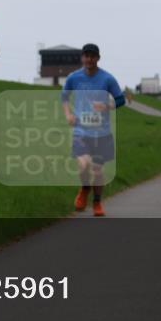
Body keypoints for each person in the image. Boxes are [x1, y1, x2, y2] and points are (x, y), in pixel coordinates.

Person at [62, 43, 126, 218]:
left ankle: (97, 201)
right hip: (81, 131)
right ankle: (84, 190)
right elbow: (64, 97)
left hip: (101, 133)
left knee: (97, 170)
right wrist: (68, 114)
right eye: (86, 56)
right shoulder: (74, 78)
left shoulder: (107, 79)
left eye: (92, 56)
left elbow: (121, 100)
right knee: (83, 165)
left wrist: (106, 105)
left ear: (98, 58)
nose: (89, 59)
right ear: (82, 58)